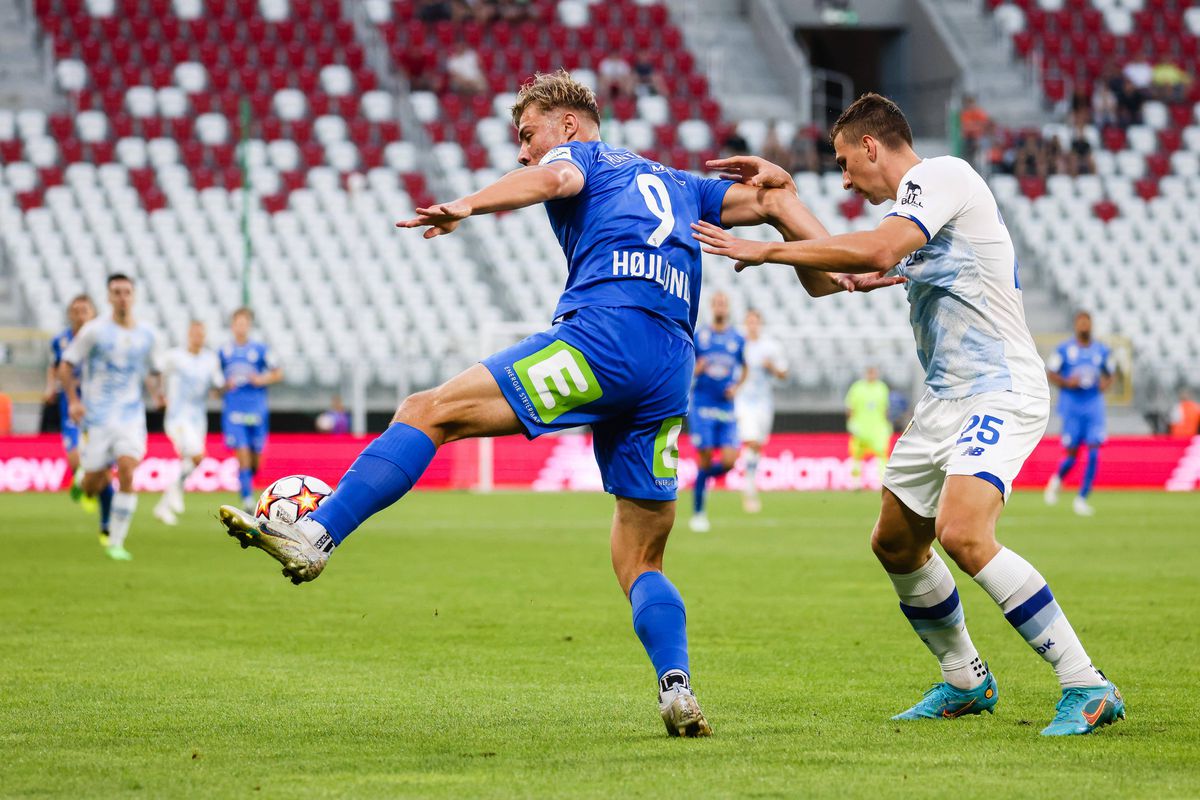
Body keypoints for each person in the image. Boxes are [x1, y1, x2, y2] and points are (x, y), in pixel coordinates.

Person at [215, 69, 896, 737]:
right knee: (641, 559)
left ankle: (316, 534)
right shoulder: (683, 185)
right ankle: (677, 686)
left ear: (567, 124)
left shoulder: (583, 156)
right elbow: (791, 224)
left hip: (605, 337)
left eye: (528, 131)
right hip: (668, 368)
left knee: (427, 411)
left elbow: (552, 177)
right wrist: (825, 239)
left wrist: (470, 204)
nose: (522, 149)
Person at [692, 92, 1123, 736]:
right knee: (894, 542)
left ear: (872, 144)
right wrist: (781, 207)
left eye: (843, 162)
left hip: (999, 387)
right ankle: (965, 680)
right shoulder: (909, 219)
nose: (843, 177)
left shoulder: (942, 177)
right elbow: (831, 277)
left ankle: (1086, 684)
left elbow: (871, 253)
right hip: (945, 398)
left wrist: (764, 252)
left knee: (964, 532)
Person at [59, 274, 162, 561]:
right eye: (116, 292)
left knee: (128, 468)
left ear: (134, 295)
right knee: (96, 483)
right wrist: (73, 401)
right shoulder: (94, 331)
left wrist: (158, 394)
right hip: (97, 419)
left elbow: (155, 371)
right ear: (108, 297)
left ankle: (116, 541)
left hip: (130, 417)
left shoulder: (147, 335)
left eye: (127, 292)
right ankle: (83, 482)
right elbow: (65, 366)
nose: (122, 297)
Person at [1043, 311, 1114, 517]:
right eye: (1081, 322)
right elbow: (1051, 372)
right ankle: (1057, 480)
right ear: (1076, 325)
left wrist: (1104, 385)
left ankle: (1082, 498)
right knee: (1072, 455)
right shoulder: (1065, 349)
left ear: (1091, 325)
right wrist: (1067, 383)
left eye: (1087, 322)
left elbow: (1111, 373)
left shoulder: (1101, 350)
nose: (1084, 326)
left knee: (1094, 452)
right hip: (1072, 406)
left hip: (1093, 406)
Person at [154, 320, 223, 525]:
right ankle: (175, 495)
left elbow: (217, 384)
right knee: (196, 455)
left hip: (198, 418)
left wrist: (221, 389)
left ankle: (164, 505)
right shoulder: (174, 356)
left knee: (193, 461)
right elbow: (157, 372)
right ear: (188, 335)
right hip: (177, 416)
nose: (197, 337)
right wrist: (160, 394)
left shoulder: (210, 359)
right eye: (194, 333)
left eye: (201, 334)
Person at [688, 291, 745, 532]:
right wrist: (696, 369)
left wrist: (737, 387)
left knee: (731, 461)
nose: (720, 307)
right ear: (712, 307)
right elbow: (687, 368)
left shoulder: (737, 339)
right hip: (702, 404)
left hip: (725, 406)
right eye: (717, 303)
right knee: (706, 457)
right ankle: (699, 512)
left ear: (728, 307)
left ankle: (700, 481)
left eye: (724, 303)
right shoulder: (700, 336)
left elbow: (745, 368)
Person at [220, 308, 283, 513]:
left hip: (256, 410)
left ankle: (248, 481)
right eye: (237, 323)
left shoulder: (260, 350)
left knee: (257, 459)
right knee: (243, 453)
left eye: (244, 323)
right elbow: (215, 379)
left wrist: (262, 379)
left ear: (249, 326)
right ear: (232, 325)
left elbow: (278, 372)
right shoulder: (224, 351)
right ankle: (247, 499)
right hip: (234, 411)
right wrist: (223, 385)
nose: (241, 327)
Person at [45, 294, 99, 512]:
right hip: (70, 403)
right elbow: (55, 366)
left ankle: (86, 486)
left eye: (84, 311)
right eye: (75, 311)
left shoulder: (99, 339)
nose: (80, 316)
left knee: (98, 458)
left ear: (92, 314)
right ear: (69, 314)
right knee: (75, 458)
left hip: (97, 404)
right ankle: (81, 481)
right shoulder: (60, 341)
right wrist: (50, 387)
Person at [734, 308, 786, 513]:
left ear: (760, 323)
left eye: (755, 321)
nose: (752, 325)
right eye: (749, 321)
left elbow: (784, 373)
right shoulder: (739, 344)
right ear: (745, 324)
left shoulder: (770, 347)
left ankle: (749, 480)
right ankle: (749, 488)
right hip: (743, 400)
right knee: (751, 440)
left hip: (764, 402)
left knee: (757, 446)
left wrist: (771, 367)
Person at [844, 366, 891, 490]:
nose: (872, 376)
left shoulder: (882, 388)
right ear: (865, 374)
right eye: (869, 373)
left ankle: (882, 482)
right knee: (856, 455)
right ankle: (855, 482)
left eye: (873, 373)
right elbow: (850, 407)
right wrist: (851, 423)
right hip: (860, 428)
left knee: (881, 454)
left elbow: (886, 409)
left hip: (877, 429)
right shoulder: (857, 388)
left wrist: (885, 424)